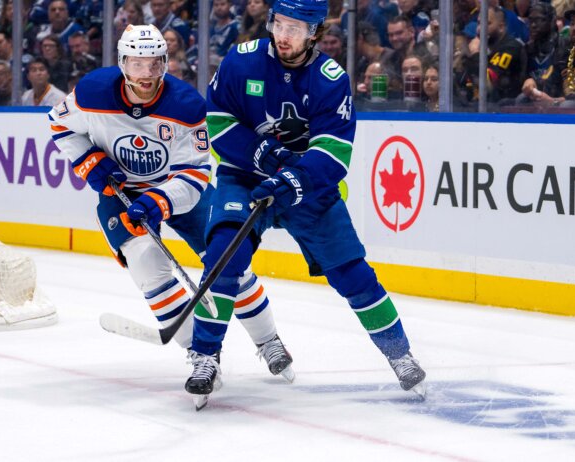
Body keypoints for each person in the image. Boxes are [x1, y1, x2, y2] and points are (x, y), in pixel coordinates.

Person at [191, 0, 427, 403]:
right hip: (244, 178)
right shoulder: (240, 61)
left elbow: (334, 153)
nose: (284, 36)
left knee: (352, 273)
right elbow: (217, 122)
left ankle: (400, 354)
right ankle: (205, 357)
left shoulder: (330, 79)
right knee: (222, 258)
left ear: (315, 32)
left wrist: (293, 181)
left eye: (296, 29)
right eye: (280, 24)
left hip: (306, 187)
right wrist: (260, 155)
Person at [47, 25, 295, 402]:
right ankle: (200, 354)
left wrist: (158, 200)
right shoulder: (93, 91)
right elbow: (59, 124)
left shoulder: (186, 104)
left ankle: (268, 340)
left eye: (154, 63)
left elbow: (195, 172)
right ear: (122, 63)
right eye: (137, 63)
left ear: (165, 62)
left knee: (229, 262)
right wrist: (89, 162)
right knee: (147, 264)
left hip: (180, 192)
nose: (146, 73)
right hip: (122, 193)